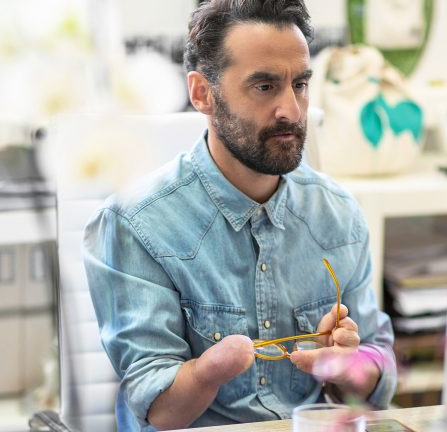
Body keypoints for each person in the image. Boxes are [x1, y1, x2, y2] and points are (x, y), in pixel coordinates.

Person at [82, 0, 397, 430]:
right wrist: (210, 369)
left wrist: (349, 367)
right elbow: (158, 411)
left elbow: (379, 361)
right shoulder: (133, 223)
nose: (291, 110)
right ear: (202, 93)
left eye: (300, 84)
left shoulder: (338, 214)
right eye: (264, 87)